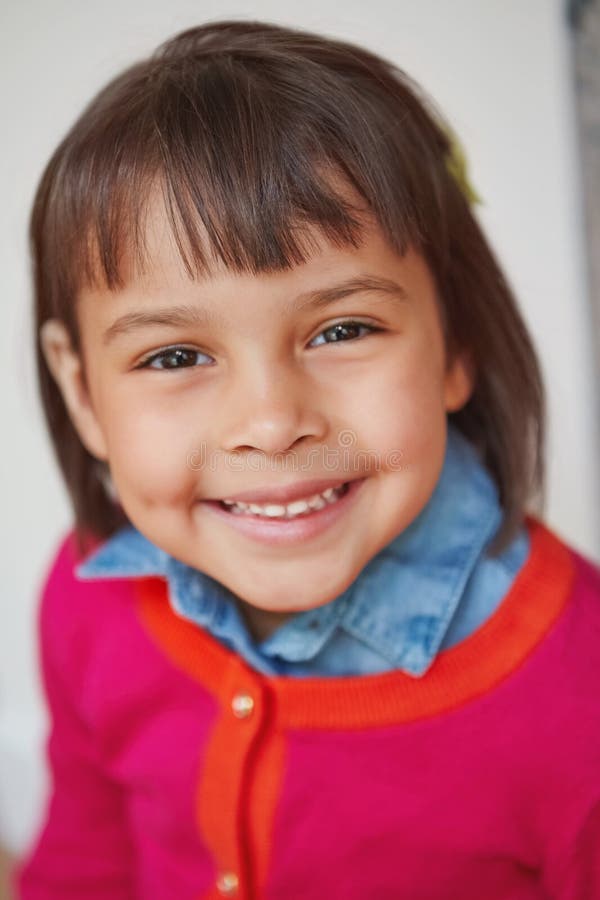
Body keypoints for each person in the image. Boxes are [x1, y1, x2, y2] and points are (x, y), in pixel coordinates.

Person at [14, 19, 600, 900]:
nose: (272, 422)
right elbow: (86, 862)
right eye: (175, 356)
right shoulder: (88, 595)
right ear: (84, 391)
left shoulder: (580, 690)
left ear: (454, 346)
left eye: (342, 329)